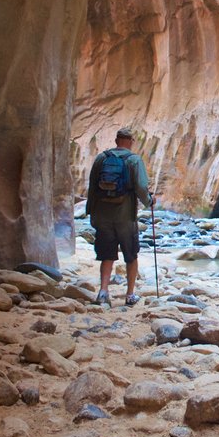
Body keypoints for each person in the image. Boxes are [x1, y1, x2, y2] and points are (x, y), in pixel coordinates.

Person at [87, 127, 153, 307]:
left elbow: (92, 186)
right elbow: (141, 187)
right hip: (125, 216)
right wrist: (149, 202)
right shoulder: (134, 160)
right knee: (131, 255)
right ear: (131, 141)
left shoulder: (102, 158)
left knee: (106, 254)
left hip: (102, 215)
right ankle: (130, 295)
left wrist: (90, 213)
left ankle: (103, 292)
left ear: (116, 141)